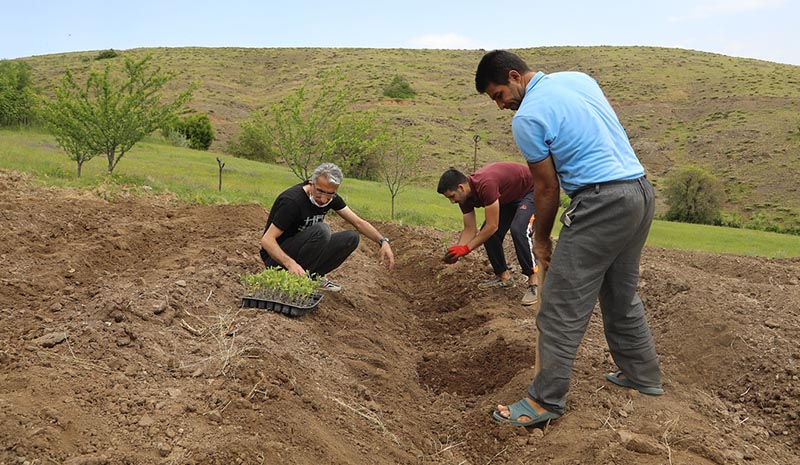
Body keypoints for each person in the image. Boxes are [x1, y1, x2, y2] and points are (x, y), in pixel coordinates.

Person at [475, 50, 663, 427]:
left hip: (602, 201)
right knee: (620, 293)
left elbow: (546, 188)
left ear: (515, 76)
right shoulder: (578, 79)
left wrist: (540, 238)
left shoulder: (527, 117)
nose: (501, 106)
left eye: (498, 95)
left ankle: (545, 402)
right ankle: (643, 376)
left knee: (560, 305)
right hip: (639, 192)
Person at [259, 162, 394, 291]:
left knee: (351, 238)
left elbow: (358, 223)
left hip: (302, 253)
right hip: (277, 259)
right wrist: (290, 264)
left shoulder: (330, 197)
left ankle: (312, 276)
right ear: (312, 183)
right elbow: (267, 240)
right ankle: (294, 278)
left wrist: (382, 241)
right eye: (320, 192)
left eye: (330, 194)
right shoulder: (292, 201)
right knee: (322, 230)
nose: (323, 199)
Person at [437, 163, 540, 306]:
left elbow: (493, 226)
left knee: (519, 230)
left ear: (461, 187)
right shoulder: (464, 198)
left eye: (452, 196)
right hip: (510, 197)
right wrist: (457, 251)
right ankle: (504, 278)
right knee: (489, 234)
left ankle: (535, 283)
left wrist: (467, 249)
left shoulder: (486, 185)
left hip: (535, 189)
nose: (452, 201)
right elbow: (469, 229)